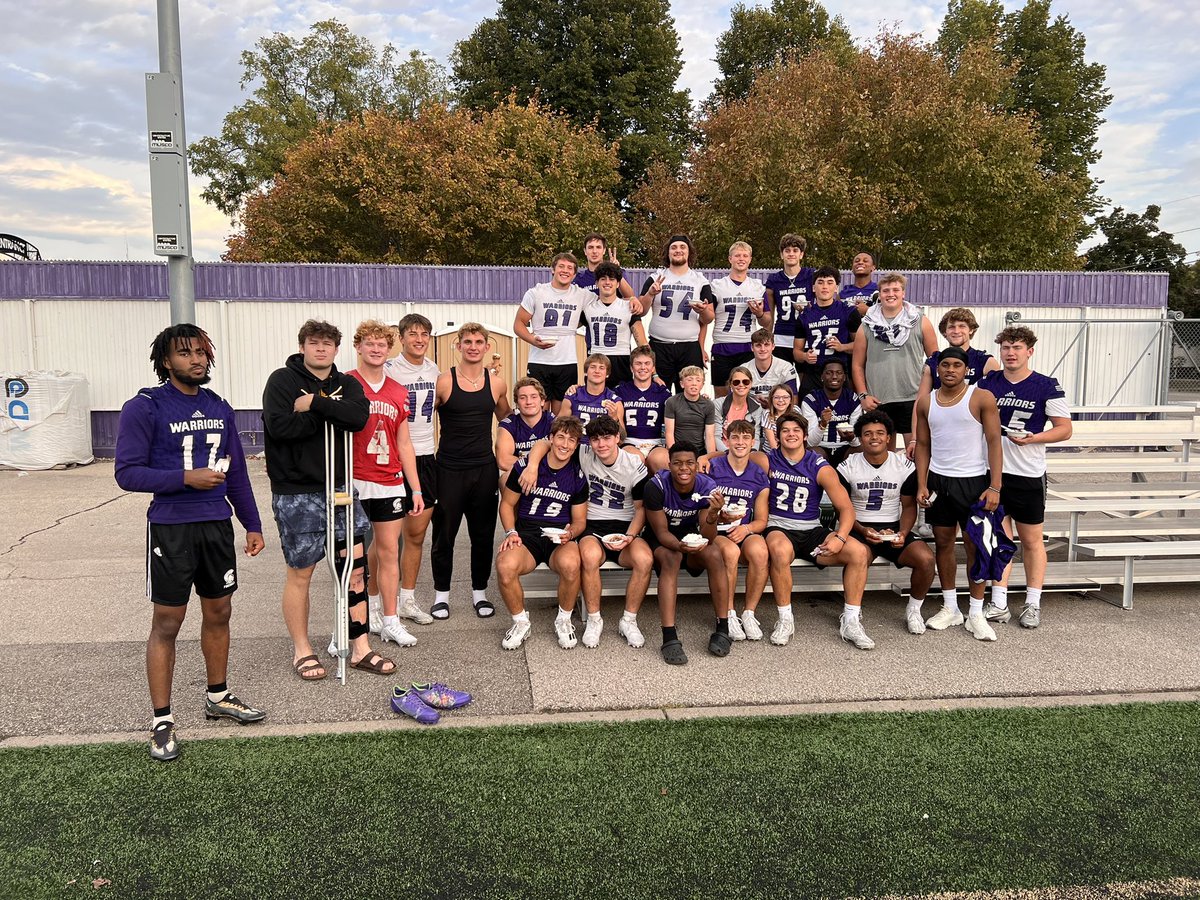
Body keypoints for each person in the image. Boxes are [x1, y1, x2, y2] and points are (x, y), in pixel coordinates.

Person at [115, 324, 266, 762]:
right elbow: (126, 473)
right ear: (166, 361)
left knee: (220, 612)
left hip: (216, 525)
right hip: (171, 527)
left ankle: (217, 696)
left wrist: (251, 523)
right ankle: (162, 720)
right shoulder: (145, 406)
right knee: (167, 622)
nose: (196, 359)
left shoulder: (219, 406)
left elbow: (237, 472)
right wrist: (185, 478)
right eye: (185, 353)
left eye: (201, 352)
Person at [262, 319, 377, 682]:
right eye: (314, 343)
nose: (322, 348)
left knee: (355, 569)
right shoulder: (281, 381)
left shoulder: (347, 383)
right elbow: (281, 428)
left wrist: (315, 404)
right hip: (297, 491)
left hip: (339, 488)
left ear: (336, 349)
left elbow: (358, 418)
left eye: (328, 343)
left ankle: (360, 647)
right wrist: (331, 415)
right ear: (303, 347)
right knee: (302, 572)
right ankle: (302, 649)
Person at [525, 415, 654, 649]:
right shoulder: (584, 453)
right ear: (589, 442)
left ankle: (629, 621)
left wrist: (630, 537)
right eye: (595, 439)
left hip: (625, 526)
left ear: (617, 438)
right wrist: (532, 465)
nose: (601, 444)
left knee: (644, 559)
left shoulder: (633, 464)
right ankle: (594, 620)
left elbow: (640, 509)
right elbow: (545, 443)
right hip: (593, 524)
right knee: (589, 556)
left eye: (607, 438)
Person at [979, 326, 1073, 629]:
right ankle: (999, 602)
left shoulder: (1045, 385)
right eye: (1006, 347)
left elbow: (1065, 429)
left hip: (1027, 472)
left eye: (1017, 347)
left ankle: (1033, 603)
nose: (1010, 353)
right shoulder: (987, 383)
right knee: (999, 539)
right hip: (993, 472)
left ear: (1029, 351)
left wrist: (1034, 438)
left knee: (1032, 540)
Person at [913, 346, 1004, 641]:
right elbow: (923, 445)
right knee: (943, 543)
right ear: (937, 368)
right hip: (940, 482)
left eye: (956, 365)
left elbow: (995, 442)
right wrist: (922, 483)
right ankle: (951, 607)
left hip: (974, 482)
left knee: (976, 546)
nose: (950, 370)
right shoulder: (926, 402)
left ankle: (976, 612)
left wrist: (995, 486)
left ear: (966, 369)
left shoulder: (981, 397)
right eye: (945, 365)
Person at [762, 412, 874, 649]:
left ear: (805, 435)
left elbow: (847, 509)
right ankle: (785, 619)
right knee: (780, 551)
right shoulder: (768, 459)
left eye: (796, 430)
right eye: (785, 431)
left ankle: (851, 621)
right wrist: (708, 457)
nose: (791, 434)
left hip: (811, 529)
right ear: (778, 436)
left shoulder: (818, 466)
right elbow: (733, 455)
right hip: (779, 526)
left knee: (858, 552)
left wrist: (840, 537)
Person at [348, 320, 425, 650]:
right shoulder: (346, 384)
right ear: (358, 347)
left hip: (389, 481)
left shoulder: (398, 391)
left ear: (389, 349)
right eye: (370, 343)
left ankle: (390, 620)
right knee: (351, 558)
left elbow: (404, 443)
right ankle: (349, 624)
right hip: (354, 478)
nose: (376, 349)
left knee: (389, 551)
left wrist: (415, 488)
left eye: (382, 344)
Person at [431, 323, 512, 619]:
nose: (473, 347)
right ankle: (441, 595)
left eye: (479, 342)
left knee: (482, 535)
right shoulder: (444, 381)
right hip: (448, 469)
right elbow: (420, 420)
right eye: (468, 342)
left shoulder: (497, 383)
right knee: (444, 536)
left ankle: (480, 593)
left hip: (483, 469)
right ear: (459, 346)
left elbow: (508, 419)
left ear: (487, 347)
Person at [837, 411, 936, 635]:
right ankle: (851, 613)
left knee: (926, 559)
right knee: (857, 557)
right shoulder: (848, 465)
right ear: (860, 438)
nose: (874, 437)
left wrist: (903, 532)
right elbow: (842, 509)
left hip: (893, 527)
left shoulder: (903, 465)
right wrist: (863, 529)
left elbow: (909, 507)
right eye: (868, 433)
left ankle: (914, 609)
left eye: (880, 433)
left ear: (889, 437)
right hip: (858, 527)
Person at [496, 416, 589, 650]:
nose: (565, 444)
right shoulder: (526, 467)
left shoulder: (577, 475)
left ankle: (564, 619)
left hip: (559, 537)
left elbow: (580, 521)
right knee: (505, 566)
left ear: (576, 445)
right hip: (527, 535)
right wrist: (510, 532)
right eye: (560, 437)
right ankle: (520, 622)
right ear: (550, 438)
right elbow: (506, 505)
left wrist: (571, 533)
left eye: (571, 440)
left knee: (571, 564)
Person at [642, 443, 733, 663]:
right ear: (669, 465)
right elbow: (661, 532)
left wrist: (713, 513)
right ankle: (669, 636)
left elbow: (708, 536)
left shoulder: (707, 486)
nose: (684, 468)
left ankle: (723, 627)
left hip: (693, 537)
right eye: (678, 463)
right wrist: (680, 547)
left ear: (696, 466)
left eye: (690, 463)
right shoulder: (656, 486)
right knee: (672, 558)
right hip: (662, 539)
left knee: (715, 554)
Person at [382, 313, 440, 628]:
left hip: (425, 456)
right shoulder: (389, 369)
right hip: (393, 458)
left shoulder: (434, 369)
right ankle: (378, 604)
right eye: (413, 334)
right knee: (385, 539)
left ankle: (407, 599)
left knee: (416, 534)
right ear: (401, 337)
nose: (419, 339)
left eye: (424, 334)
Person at [851, 273, 938, 448]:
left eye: (895, 290)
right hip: (878, 399)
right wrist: (863, 396)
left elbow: (935, 361)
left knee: (916, 451)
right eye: (886, 290)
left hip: (913, 397)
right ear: (880, 294)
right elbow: (857, 365)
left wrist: (929, 395)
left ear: (903, 293)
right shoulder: (866, 324)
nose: (891, 294)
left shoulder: (920, 321)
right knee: (883, 455)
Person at [702, 419, 771, 641]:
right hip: (717, 529)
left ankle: (749, 613)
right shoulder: (713, 468)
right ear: (726, 441)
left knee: (760, 551)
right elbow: (702, 508)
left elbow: (761, 520)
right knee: (731, 552)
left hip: (742, 529)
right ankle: (728, 612)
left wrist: (746, 529)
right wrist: (718, 515)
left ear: (753, 442)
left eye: (745, 438)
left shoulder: (758, 474)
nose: (740, 442)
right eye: (735, 437)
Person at [515, 252, 592, 413]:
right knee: (538, 411)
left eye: (570, 268)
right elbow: (518, 324)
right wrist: (533, 340)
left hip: (567, 361)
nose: (565, 271)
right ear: (552, 269)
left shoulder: (581, 294)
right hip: (539, 360)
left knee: (562, 414)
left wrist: (632, 299)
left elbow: (608, 298)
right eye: (561, 266)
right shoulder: (536, 292)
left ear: (574, 274)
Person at [639, 234, 714, 391]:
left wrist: (703, 311)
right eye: (673, 247)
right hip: (660, 346)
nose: (678, 250)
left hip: (689, 347)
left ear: (689, 252)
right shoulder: (656, 277)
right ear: (668, 252)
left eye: (682, 247)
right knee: (657, 394)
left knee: (689, 396)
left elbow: (709, 318)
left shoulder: (700, 280)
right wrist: (650, 294)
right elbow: (641, 311)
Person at [709, 241, 771, 395]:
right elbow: (707, 317)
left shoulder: (757, 287)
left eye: (745, 255)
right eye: (737, 255)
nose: (741, 259)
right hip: (722, 345)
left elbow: (767, 320)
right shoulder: (717, 286)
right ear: (730, 259)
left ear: (750, 259)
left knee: (747, 393)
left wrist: (759, 313)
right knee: (721, 395)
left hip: (747, 345)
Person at [795, 266, 861, 394]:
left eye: (830, 282)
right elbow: (796, 352)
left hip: (839, 373)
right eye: (820, 282)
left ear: (836, 288)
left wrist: (842, 347)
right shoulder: (804, 315)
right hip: (814, 373)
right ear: (813, 288)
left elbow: (861, 346)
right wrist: (805, 356)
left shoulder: (849, 312)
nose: (825, 286)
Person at [582, 261, 647, 386]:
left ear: (618, 284)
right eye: (603, 279)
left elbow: (643, 344)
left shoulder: (629, 307)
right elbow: (569, 326)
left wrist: (653, 374)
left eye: (611, 279)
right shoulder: (588, 308)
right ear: (597, 283)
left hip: (621, 364)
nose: (607, 282)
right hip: (596, 363)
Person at [916, 307, 1002, 396]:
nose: (956, 331)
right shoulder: (934, 361)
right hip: (942, 404)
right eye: (951, 327)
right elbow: (921, 399)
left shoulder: (985, 361)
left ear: (971, 330)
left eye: (962, 326)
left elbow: (997, 397)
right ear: (945, 331)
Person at [763, 233, 815, 373]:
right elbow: (770, 312)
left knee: (806, 379)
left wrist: (810, 310)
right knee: (782, 379)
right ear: (782, 254)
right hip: (782, 336)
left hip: (805, 335)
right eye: (787, 250)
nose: (791, 254)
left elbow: (823, 302)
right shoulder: (774, 279)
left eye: (795, 250)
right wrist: (768, 337)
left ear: (801, 254)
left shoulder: (811, 275)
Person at [800, 359, 861, 464]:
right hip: (821, 447)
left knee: (862, 451)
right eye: (829, 373)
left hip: (846, 447)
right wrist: (822, 425)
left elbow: (857, 443)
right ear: (822, 377)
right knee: (813, 454)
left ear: (844, 377)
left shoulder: (852, 399)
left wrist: (851, 438)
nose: (834, 376)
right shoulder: (811, 400)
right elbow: (810, 443)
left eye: (839, 373)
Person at [617, 345, 673, 457]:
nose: (643, 367)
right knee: (635, 459)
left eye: (647, 363)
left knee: (661, 460)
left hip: (656, 443)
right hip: (629, 442)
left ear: (653, 368)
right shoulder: (621, 390)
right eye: (638, 363)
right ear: (631, 368)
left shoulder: (663, 392)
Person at [497, 377, 554, 476]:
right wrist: (532, 468)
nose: (528, 402)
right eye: (523, 397)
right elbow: (504, 461)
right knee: (505, 478)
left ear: (542, 401)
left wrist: (536, 468)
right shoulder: (509, 425)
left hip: (549, 476)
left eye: (533, 397)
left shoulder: (552, 421)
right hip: (522, 475)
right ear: (517, 403)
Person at [561, 354, 624, 439]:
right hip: (577, 444)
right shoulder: (573, 396)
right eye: (593, 367)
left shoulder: (615, 401)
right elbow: (558, 428)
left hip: (601, 445)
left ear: (607, 374)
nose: (597, 371)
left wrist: (615, 418)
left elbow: (622, 438)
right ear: (585, 372)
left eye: (601, 368)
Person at [664, 366, 716, 457]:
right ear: (682, 384)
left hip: (699, 451)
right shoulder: (672, 402)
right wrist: (675, 454)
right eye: (689, 380)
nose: (694, 383)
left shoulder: (709, 405)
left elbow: (709, 436)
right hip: (677, 450)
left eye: (698, 380)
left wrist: (710, 458)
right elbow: (669, 433)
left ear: (702, 385)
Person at [574, 232, 636, 301]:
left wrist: (616, 271)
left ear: (604, 250)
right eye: (590, 247)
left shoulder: (618, 272)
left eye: (598, 247)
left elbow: (631, 297)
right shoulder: (578, 278)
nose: (594, 251)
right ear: (585, 251)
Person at [748, 327, 799, 409]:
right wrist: (752, 399)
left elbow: (794, 400)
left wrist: (772, 404)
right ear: (752, 347)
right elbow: (733, 398)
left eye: (766, 345)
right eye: (758, 345)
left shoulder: (785, 367)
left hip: (779, 410)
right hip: (751, 411)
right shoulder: (744, 369)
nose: (762, 349)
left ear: (773, 346)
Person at [713, 366, 762, 452]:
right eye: (736, 382)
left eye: (745, 382)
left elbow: (755, 437)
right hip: (724, 452)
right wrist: (728, 453)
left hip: (747, 452)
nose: (741, 385)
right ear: (730, 384)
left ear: (750, 384)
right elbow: (716, 436)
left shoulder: (756, 407)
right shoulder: (718, 404)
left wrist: (751, 453)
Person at [761, 383, 801, 451]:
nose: (781, 400)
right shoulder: (767, 414)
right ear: (771, 399)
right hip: (772, 452)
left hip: (793, 450)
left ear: (791, 400)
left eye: (785, 397)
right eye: (776, 397)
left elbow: (800, 433)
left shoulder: (796, 410)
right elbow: (772, 444)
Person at [840, 251, 878, 316]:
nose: (860, 262)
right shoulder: (843, 293)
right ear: (852, 268)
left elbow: (888, 315)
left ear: (873, 267)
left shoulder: (879, 291)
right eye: (857, 261)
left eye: (865, 261)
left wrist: (867, 311)